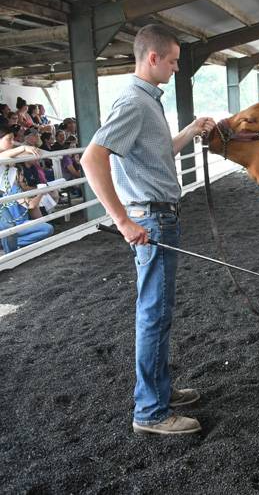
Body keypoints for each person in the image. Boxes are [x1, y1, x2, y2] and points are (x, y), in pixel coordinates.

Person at [81, 24, 215, 435]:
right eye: (173, 61)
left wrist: (190, 132)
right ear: (152, 58)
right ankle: (151, 413)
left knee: (158, 312)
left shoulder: (147, 102)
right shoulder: (134, 103)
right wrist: (123, 220)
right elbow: (92, 159)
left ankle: (159, 390)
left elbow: (155, 156)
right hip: (151, 219)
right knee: (154, 314)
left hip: (162, 216)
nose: (176, 69)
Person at [0, 122, 54, 254]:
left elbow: (33, 154)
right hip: (3, 199)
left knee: (11, 228)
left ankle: (11, 250)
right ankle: (10, 253)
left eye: (13, 139)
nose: (12, 142)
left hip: (5, 197)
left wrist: (26, 149)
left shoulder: (11, 155)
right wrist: (23, 147)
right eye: (9, 139)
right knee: (9, 227)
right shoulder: (7, 155)